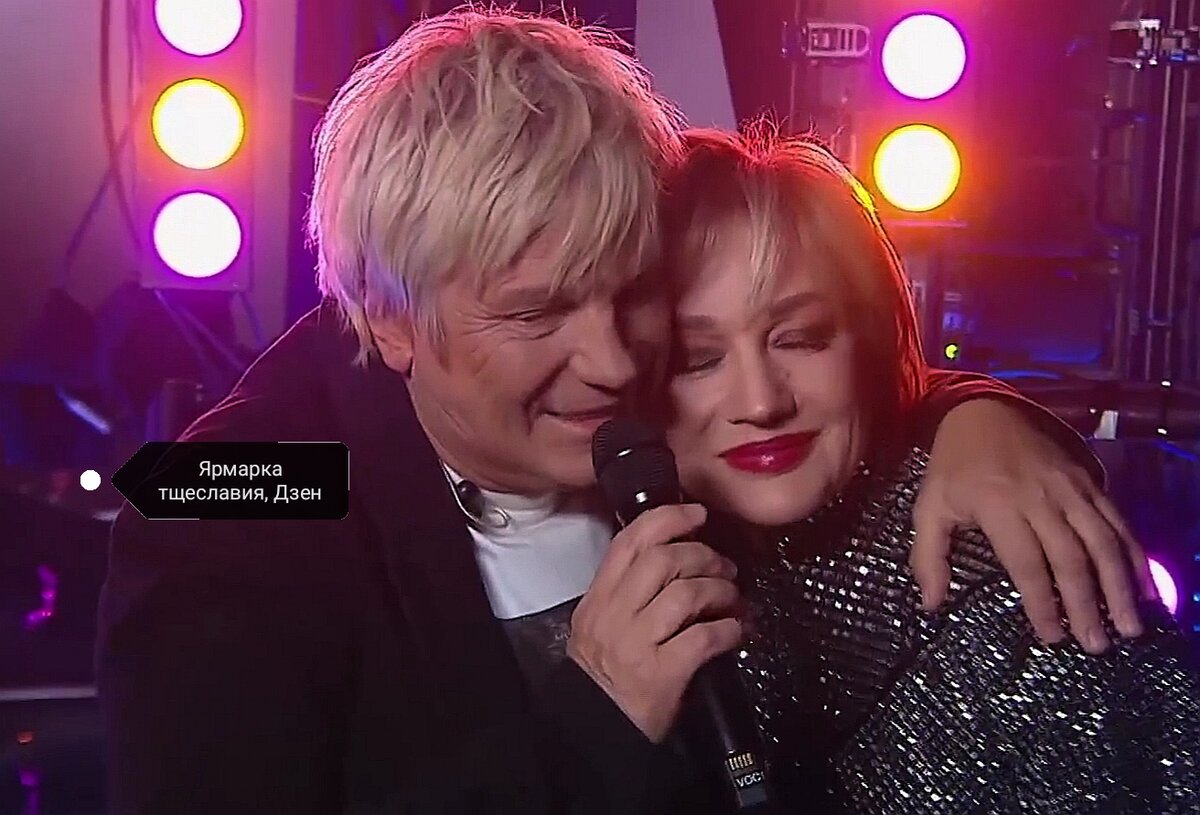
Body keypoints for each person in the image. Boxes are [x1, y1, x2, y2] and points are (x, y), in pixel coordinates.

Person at [98, 10, 1151, 814]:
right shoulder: (231, 512)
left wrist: (981, 414)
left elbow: (802, 355)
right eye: (536, 313)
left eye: (632, 288)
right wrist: (597, 712)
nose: (611, 364)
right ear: (390, 317)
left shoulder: (653, 391)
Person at [654, 126, 1200, 813]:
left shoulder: (1012, 578)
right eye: (698, 359)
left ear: (871, 336)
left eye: (801, 337)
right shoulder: (622, 564)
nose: (761, 401)